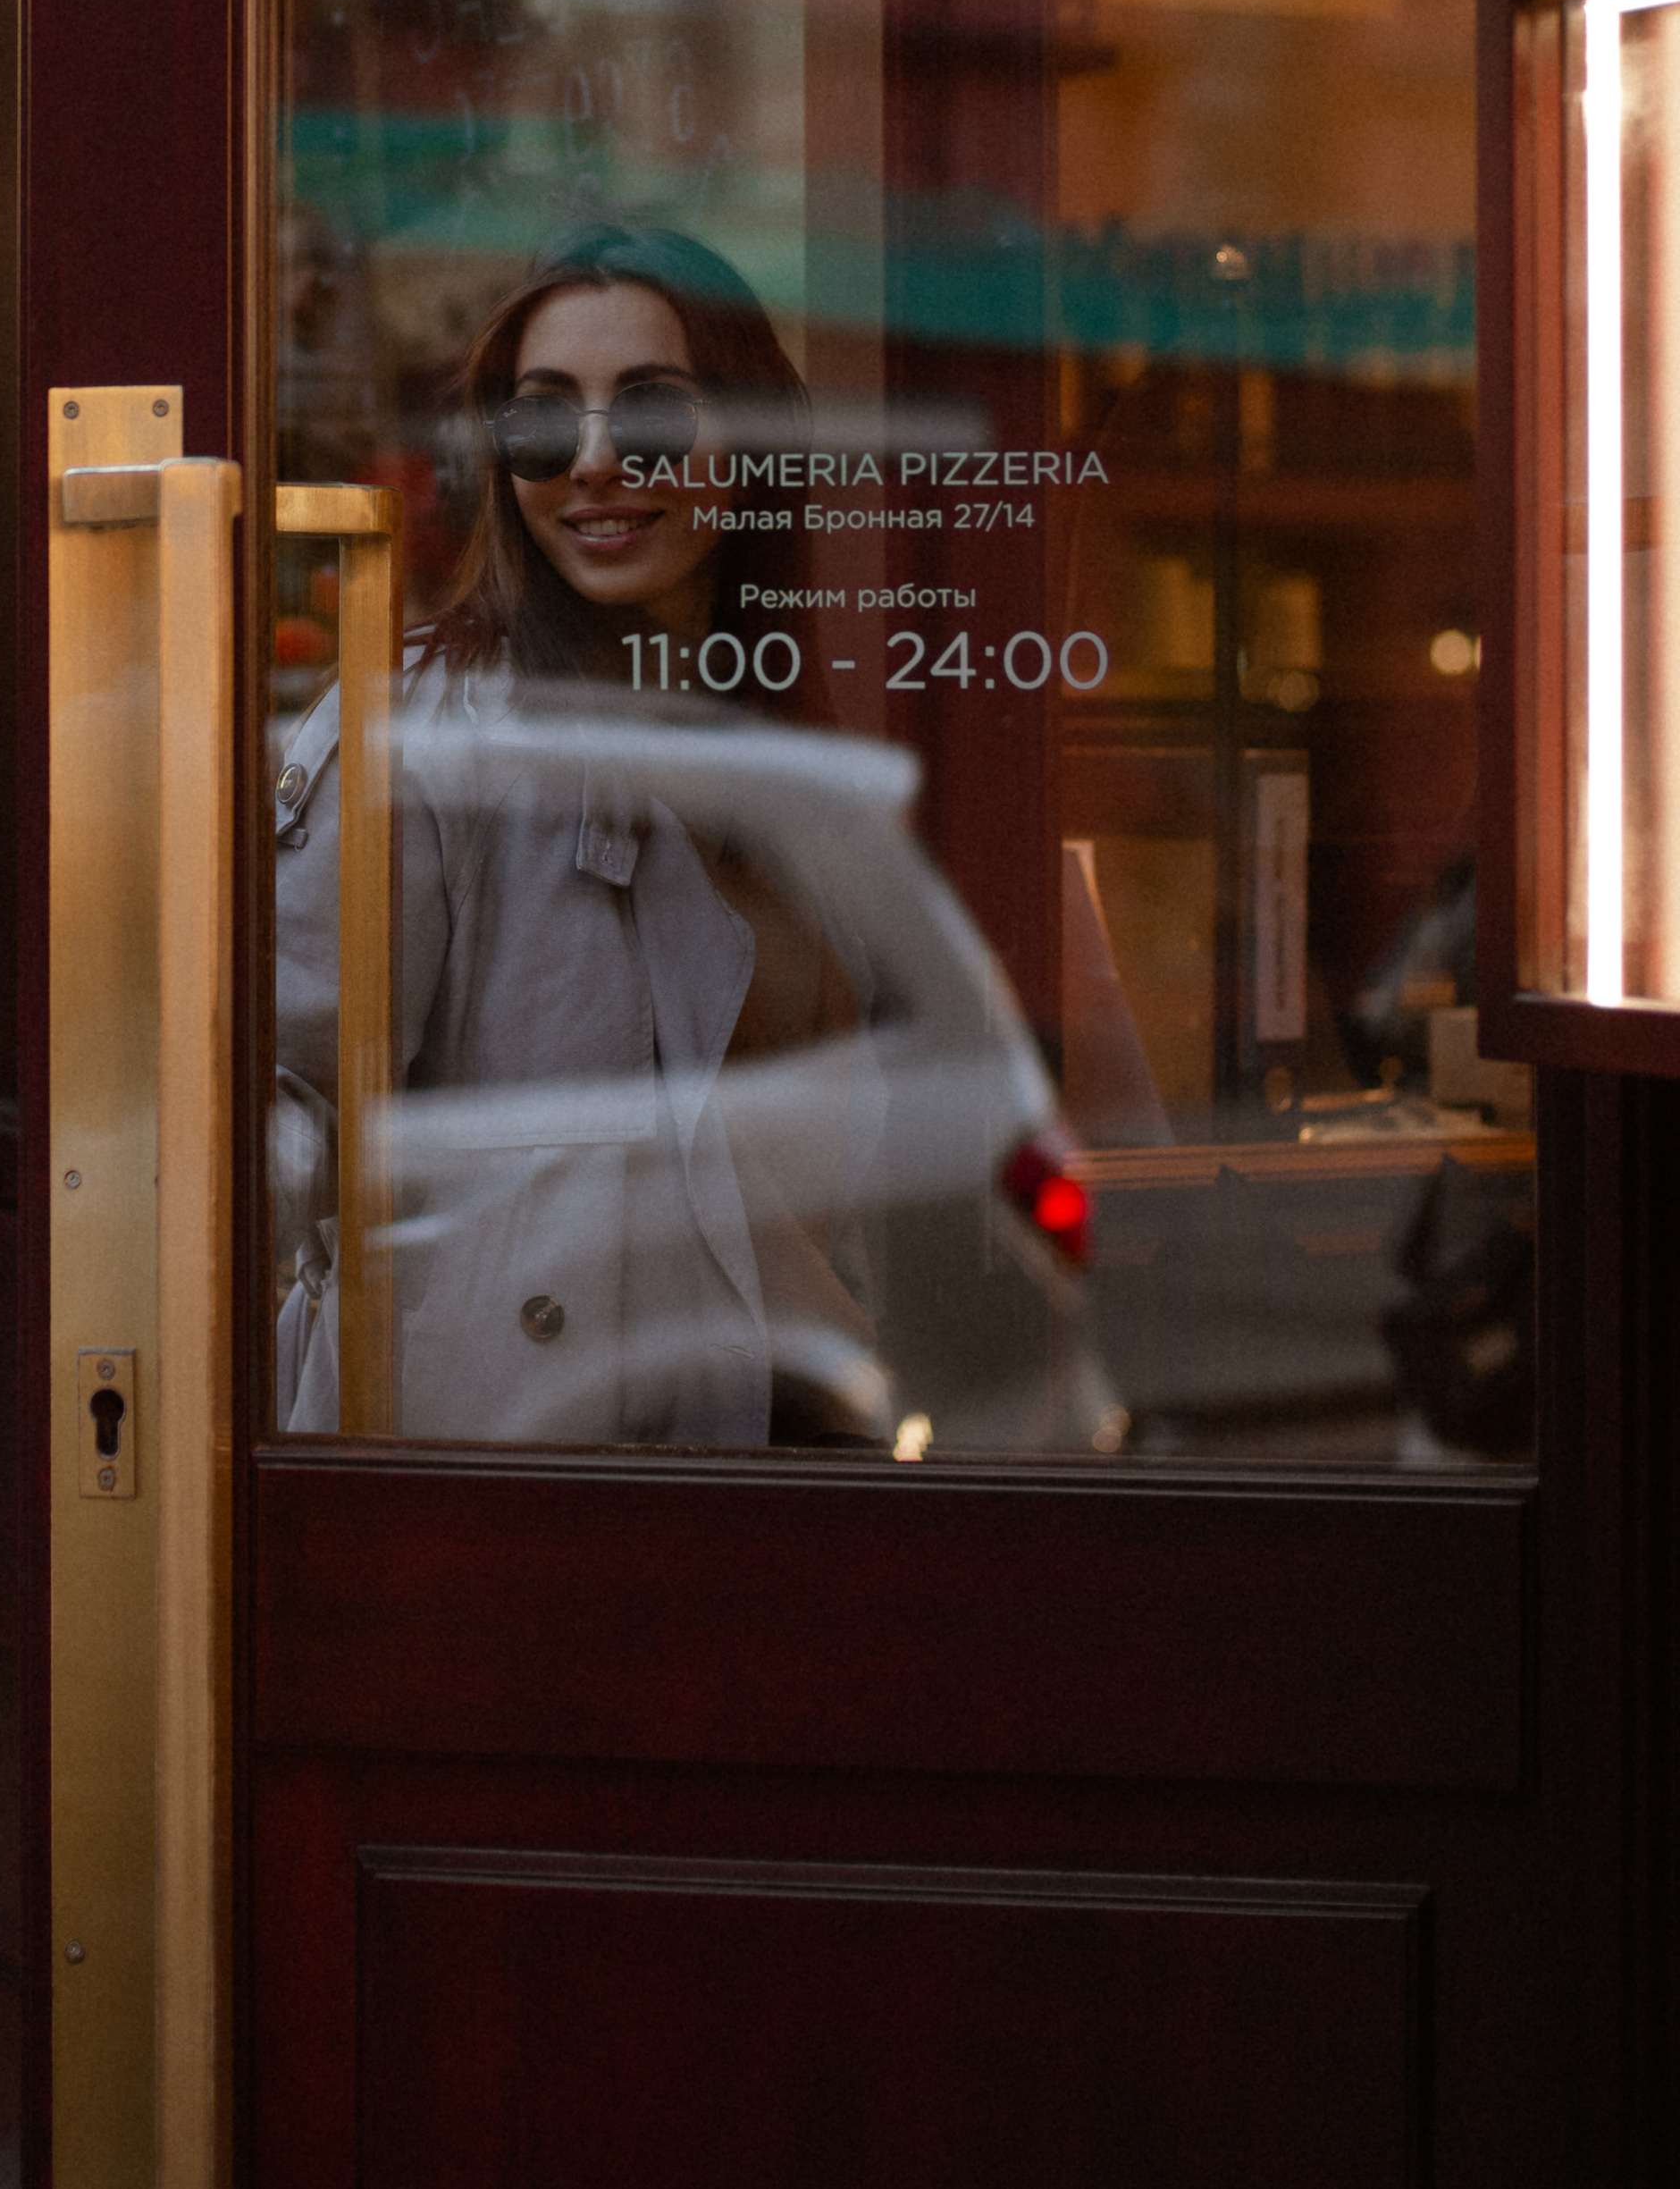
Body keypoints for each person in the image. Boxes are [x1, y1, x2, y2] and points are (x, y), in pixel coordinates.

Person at [271, 225, 1113, 1451]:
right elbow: (275, 1121)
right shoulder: (418, 737)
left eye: (653, 413)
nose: (597, 462)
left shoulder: (788, 766)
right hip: (505, 1488)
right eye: (544, 420)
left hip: (781, 1462)